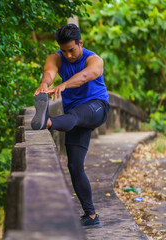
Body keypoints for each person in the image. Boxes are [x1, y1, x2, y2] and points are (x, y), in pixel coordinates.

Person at [31, 24, 110, 229]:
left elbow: (86, 76)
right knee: (74, 166)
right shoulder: (56, 57)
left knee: (73, 117)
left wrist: (64, 84)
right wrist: (45, 85)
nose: (67, 55)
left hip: (96, 107)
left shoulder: (95, 60)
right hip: (75, 113)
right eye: (63, 50)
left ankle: (47, 122)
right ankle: (91, 216)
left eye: (72, 50)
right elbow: (49, 72)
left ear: (80, 43)